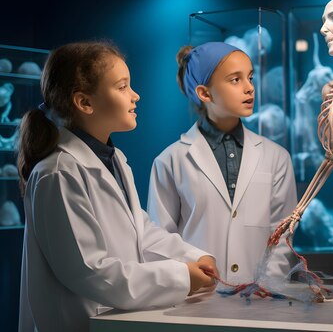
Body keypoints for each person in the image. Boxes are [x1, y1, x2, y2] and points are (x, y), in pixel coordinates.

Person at [17, 42, 218, 332]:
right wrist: (180, 278)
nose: (135, 96)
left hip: (115, 320)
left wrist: (193, 257)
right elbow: (89, 271)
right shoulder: (59, 173)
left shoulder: (114, 160)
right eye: (122, 87)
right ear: (85, 103)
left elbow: (141, 231)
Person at [148, 42, 296, 284]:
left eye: (250, 77)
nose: (250, 89)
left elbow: (281, 236)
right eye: (235, 80)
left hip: (261, 301)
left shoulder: (276, 157)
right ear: (204, 93)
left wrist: (267, 288)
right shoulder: (170, 161)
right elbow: (160, 239)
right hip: (196, 301)